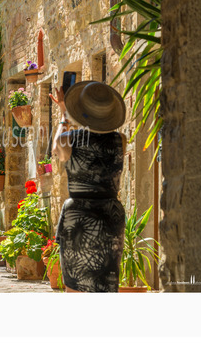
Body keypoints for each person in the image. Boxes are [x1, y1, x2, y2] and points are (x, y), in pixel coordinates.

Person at [49, 81, 127, 292]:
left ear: (81, 111)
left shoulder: (68, 139)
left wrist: (63, 113)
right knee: (106, 283)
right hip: (110, 213)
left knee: (75, 285)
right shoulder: (121, 139)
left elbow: (55, 147)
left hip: (79, 216)